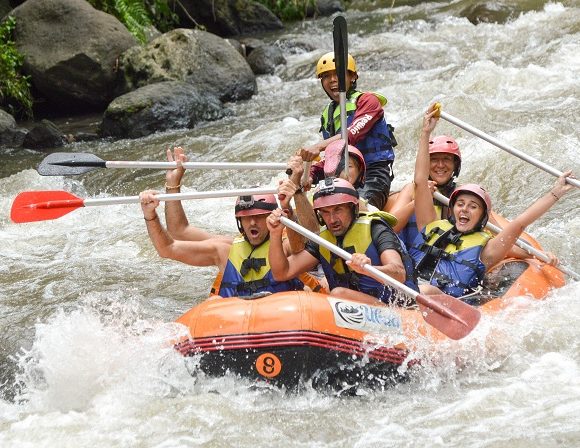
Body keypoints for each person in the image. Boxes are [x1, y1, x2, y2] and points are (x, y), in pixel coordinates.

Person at [410, 103, 575, 298]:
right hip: (407, 287)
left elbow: (521, 222)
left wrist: (555, 193)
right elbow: (420, 181)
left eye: (473, 207)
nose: (465, 210)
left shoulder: (486, 250)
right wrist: (425, 132)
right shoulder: (431, 226)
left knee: (426, 290)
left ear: (482, 217)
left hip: (441, 300)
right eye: (461, 204)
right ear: (453, 209)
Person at [267, 177, 418, 305]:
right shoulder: (323, 240)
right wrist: (275, 234)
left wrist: (368, 269)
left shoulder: (376, 229)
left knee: (339, 294)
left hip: (396, 307)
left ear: (353, 209)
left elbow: (398, 273)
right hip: (352, 309)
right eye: (325, 213)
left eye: (338, 210)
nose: (332, 220)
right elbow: (283, 273)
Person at [299, 52, 398, 210]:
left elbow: (351, 135)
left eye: (337, 73)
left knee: (354, 208)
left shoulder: (368, 101)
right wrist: (310, 173)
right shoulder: (327, 115)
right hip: (343, 176)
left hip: (373, 174)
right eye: (326, 76)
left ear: (352, 77)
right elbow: (333, 157)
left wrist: (318, 146)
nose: (332, 79)